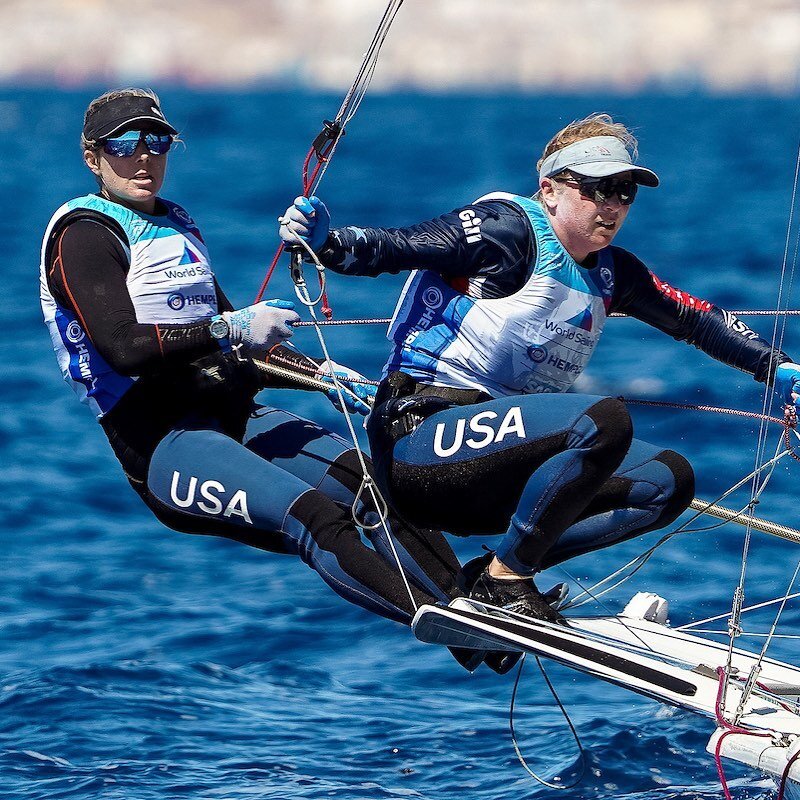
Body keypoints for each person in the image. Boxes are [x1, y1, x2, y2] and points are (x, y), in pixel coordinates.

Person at [280, 113, 800, 623]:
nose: (614, 204)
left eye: (626, 192)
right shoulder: (503, 230)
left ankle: (498, 574)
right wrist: (326, 241)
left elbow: (699, 321)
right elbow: (394, 247)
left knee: (667, 481)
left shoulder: (616, 273)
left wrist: (780, 369)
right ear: (550, 190)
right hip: (419, 443)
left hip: (498, 469)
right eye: (598, 189)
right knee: (603, 420)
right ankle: (509, 584)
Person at [40, 87, 467, 630]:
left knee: (379, 480)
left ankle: (473, 607)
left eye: (158, 140)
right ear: (92, 157)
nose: (143, 156)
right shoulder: (83, 234)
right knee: (315, 516)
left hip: (233, 412)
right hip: (163, 442)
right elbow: (123, 348)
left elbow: (236, 347)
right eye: (124, 144)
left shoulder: (175, 224)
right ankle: (447, 623)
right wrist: (230, 324)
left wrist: (323, 378)